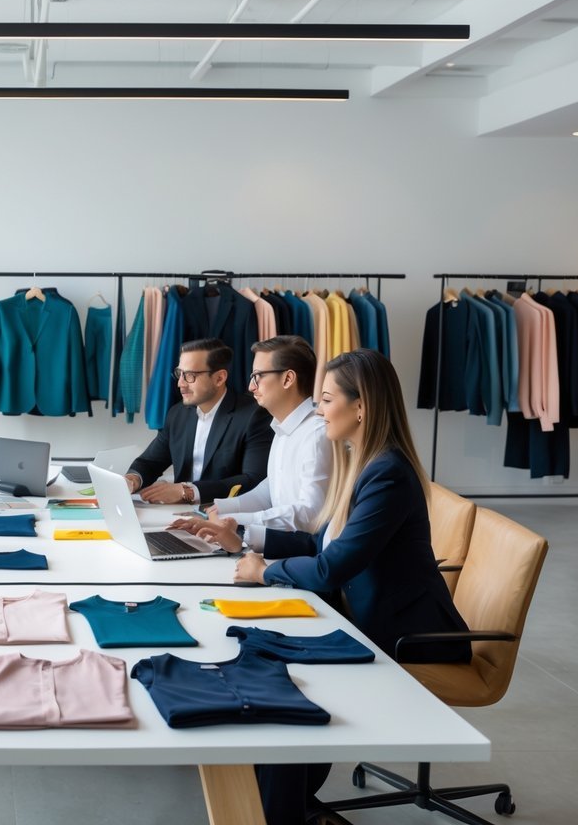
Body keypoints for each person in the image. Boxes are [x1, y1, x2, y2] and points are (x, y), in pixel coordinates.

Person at [191, 348, 471, 825]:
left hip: (406, 635)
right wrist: (243, 537)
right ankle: (276, 806)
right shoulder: (365, 463)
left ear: (360, 407)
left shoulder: (388, 474)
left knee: (281, 685)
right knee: (262, 660)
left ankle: (278, 810)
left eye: (325, 399)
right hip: (364, 616)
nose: (318, 412)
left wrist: (264, 572)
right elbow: (317, 541)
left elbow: (329, 568)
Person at [170, 335, 330, 548]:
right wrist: (218, 511)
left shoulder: (317, 435)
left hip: (301, 555)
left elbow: (310, 514)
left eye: (258, 376)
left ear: (288, 379)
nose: (251, 386)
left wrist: (234, 522)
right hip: (280, 546)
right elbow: (270, 489)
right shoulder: (282, 427)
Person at [124, 338, 273, 504]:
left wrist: (187, 491)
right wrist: (132, 480)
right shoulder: (177, 414)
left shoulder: (254, 415)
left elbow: (253, 480)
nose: (180, 383)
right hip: (179, 515)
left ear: (219, 378)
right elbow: (150, 462)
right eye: (180, 374)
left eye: (190, 376)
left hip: (227, 518)